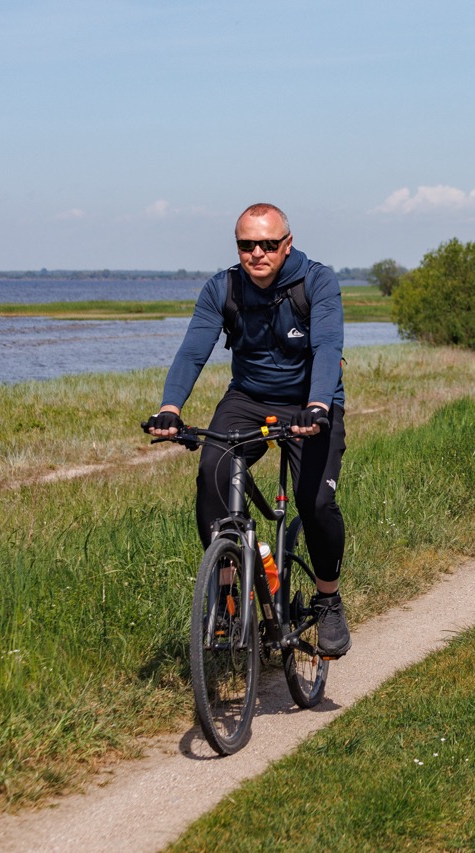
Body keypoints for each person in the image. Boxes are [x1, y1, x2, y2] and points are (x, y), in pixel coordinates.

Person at [145, 203, 352, 657]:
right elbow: (192, 351)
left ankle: (329, 599)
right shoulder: (223, 288)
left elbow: (327, 346)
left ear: (287, 244)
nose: (257, 253)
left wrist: (317, 405)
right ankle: (229, 599)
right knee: (212, 477)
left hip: (310, 401)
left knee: (316, 502)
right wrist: (170, 408)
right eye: (246, 244)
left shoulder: (317, 281)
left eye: (268, 244)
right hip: (249, 399)